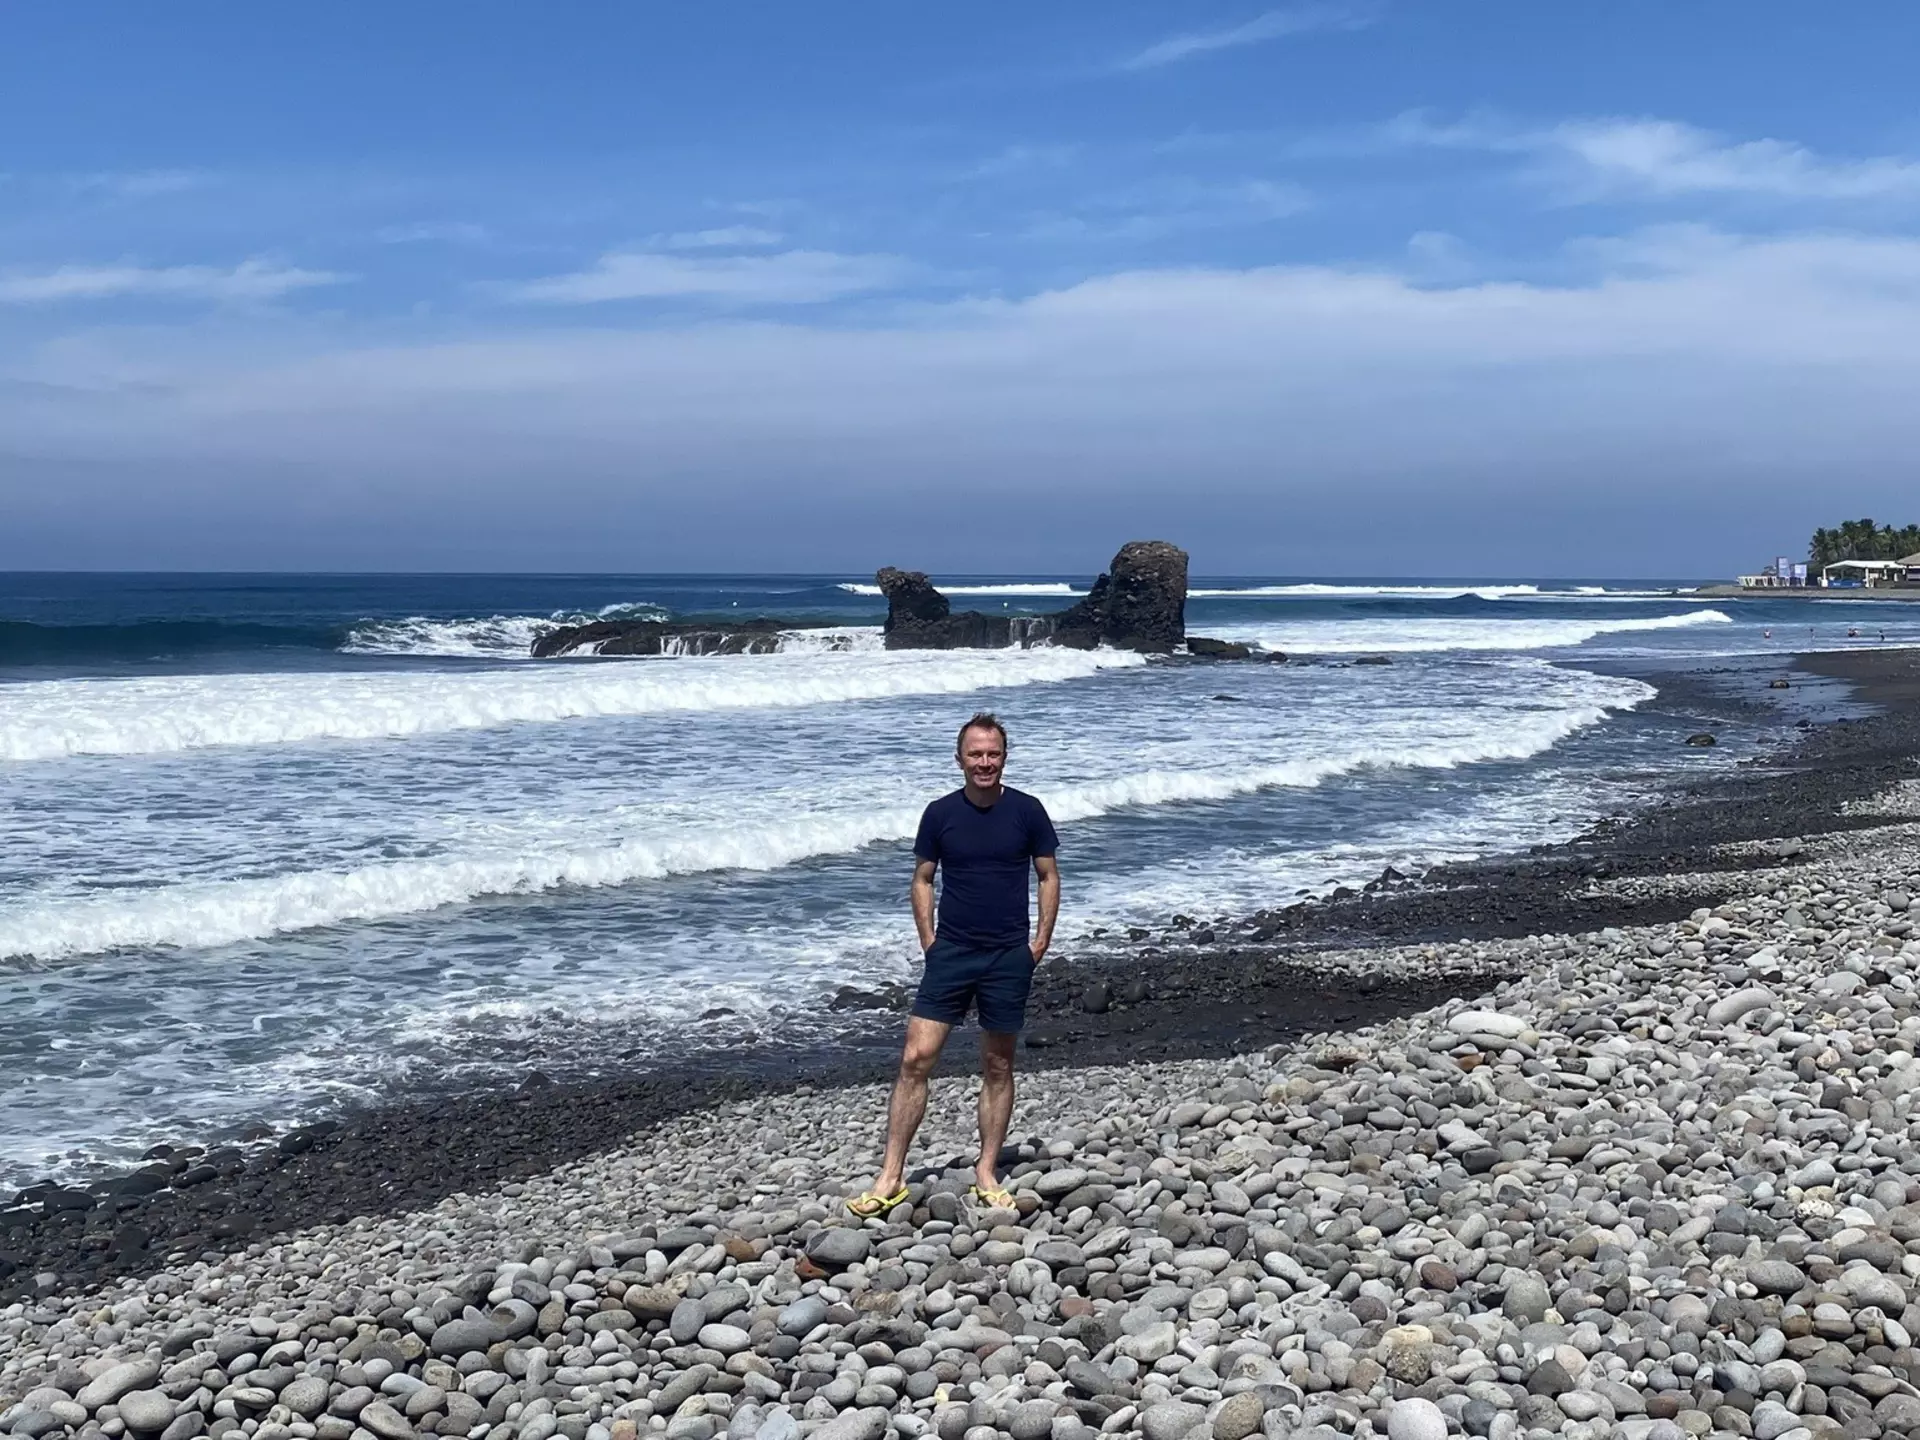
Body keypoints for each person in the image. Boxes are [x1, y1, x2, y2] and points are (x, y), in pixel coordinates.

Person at [847, 711, 1059, 1215]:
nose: (984, 762)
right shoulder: (940, 814)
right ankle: (890, 1175)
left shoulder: (1027, 811)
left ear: (1004, 758)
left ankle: (986, 1171)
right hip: (952, 953)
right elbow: (922, 878)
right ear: (959, 759)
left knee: (998, 1063)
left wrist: (1039, 942)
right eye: (975, 754)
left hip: (1008, 954)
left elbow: (1048, 875)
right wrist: (930, 941)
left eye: (993, 754)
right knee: (915, 1059)